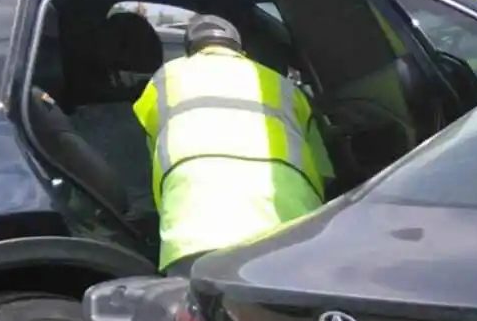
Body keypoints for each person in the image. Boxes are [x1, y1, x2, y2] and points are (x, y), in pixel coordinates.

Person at [133, 15, 334, 277]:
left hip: (193, 234)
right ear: (242, 52)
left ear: (190, 51)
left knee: (201, 316)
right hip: (287, 232)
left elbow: (154, 163)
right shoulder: (283, 86)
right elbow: (324, 173)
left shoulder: (163, 82)